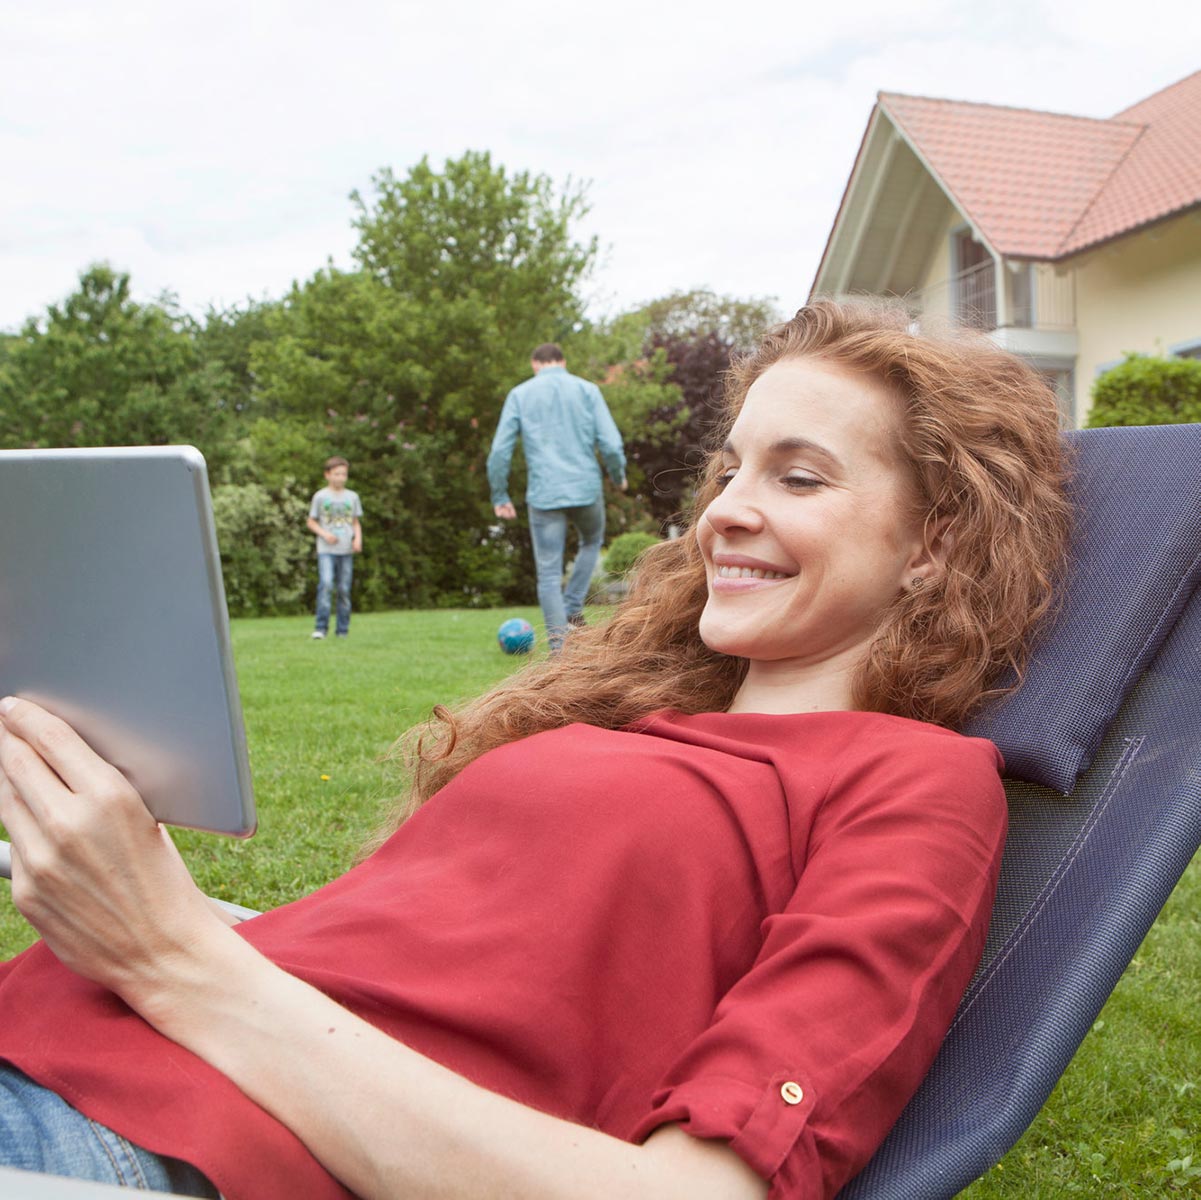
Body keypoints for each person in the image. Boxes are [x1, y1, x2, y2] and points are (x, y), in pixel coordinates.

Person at [0, 301, 1071, 1200]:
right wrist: (124, 882)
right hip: (57, 1034)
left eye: (798, 479)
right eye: (728, 470)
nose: (724, 515)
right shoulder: (637, 728)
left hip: (137, 1142)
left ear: (932, 544)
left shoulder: (909, 782)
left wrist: (169, 952)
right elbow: (402, 973)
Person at [487, 343, 628, 651]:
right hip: (585, 489)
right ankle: (573, 608)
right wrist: (618, 477)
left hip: (545, 493)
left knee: (548, 572)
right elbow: (612, 444)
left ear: (535, 364)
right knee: (591, 541)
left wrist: (500, 494)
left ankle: (558, 651)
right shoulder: (588, 390)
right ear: (562, 362)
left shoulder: (520, 395)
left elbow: (499, 451)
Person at [306, 456, 363, 640]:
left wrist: (357, 540)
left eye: (344, 474)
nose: (340, 477)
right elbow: (311, 522)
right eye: (337, 474)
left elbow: (355, 522)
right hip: (326, 550)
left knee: (344, 589)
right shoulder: (320, 496)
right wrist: (324, 534)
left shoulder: (352, 497)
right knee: (326, 584)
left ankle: (342, 630)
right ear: (327, 475)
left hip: (346, 550)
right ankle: (321, 628)